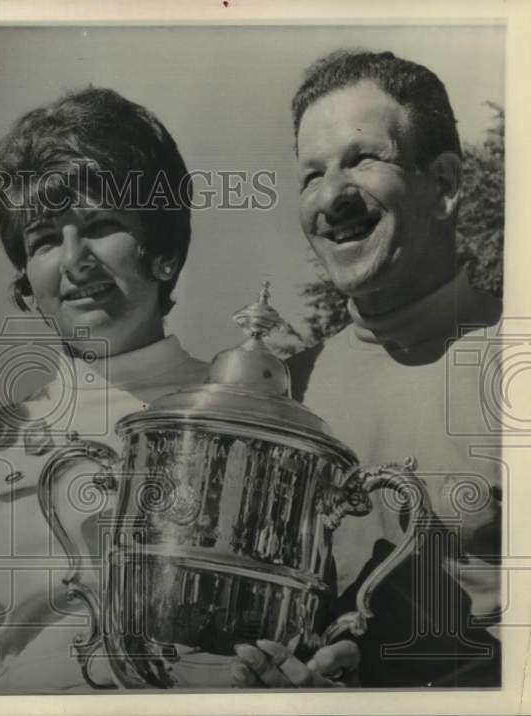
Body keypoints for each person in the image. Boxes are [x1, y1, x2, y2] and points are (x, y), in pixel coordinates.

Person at [0, 87, 210, 691]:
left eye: (101, 225)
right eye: (44, 239)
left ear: (164, 249)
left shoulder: (249, 414)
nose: (74, 261)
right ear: (25, 276)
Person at [232, 50, 502, 688]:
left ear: (446, 183)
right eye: (311, 175)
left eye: (362, 159)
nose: (332, 197)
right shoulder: (281, 393)